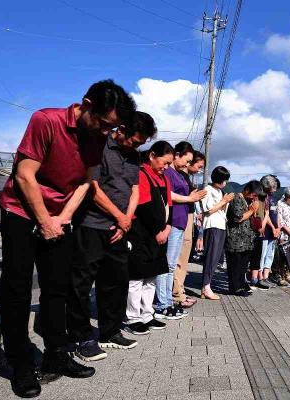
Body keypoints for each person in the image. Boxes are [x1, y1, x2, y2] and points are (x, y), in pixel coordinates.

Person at [0, 80, 136, 397]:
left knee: (57, 287)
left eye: (111, 128)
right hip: (21, 211)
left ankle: (56, 355)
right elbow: (24, 175)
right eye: (102, 124)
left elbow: (87, 183)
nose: (105, 132)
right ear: (85, 104)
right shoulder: (46, 120)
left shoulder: (98, 137)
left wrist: (63, 217)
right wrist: (44, 220)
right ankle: (19, 363)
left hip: (60, 217)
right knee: (17, 290)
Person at [67, 111, 155, 363]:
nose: (138, 146)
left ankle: (110, 331)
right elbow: (92, 187)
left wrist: (125, 221)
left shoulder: (134, 156)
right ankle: (82, 337)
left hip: (119, 228)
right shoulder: (100, 145)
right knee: (81, 283)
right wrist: (120, 217)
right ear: (122, 130)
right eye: (135, 141)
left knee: (116, 281)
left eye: (142, 143)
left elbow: (135, 189)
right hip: (92, 224)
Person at [125, 141, 174, 334]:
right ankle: (132, 317)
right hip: (142, 233)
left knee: (152, 277)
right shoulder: (142, 173)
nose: (167, 167)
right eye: (165, 162)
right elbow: (143, 207)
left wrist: (168, 227)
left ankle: (147, 313)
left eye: (170, 163)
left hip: (161, 233)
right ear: (152, 156)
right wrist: (158, 231)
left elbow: (169, 205)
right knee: (136, 278)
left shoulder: (164, 179)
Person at [155, 142, 204, 319]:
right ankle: (163, 304)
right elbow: (168, 194)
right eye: (187, 160)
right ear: (177, 155)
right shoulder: (168, 172)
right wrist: (189, 197)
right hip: (173, 221)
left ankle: (167, 301)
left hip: (180, 222)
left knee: (170, 264)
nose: (187, 164)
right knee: (167, 264)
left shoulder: (177, 173)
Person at [173, 149, 206, 308]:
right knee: (179, 257)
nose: (199, 170)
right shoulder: (178, 175)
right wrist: (192, 197)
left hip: (189, 216)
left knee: (184, 257)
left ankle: (180, 291)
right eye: (199, 166)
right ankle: (177, 293)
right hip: (182, 217)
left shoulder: (185, 176)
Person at [200, 166, 234, 300]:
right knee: (211, 256)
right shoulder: (208, 190)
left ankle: (207, 285)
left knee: (216, 258)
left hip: (220, 225)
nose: (226, 182)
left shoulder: (220, 191)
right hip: (212, 225)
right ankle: (205, 287)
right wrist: (224, 201)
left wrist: (225, 202)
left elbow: (220, 209)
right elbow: (209, 210)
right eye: (225, 179)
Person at [225, 180, 263, 296]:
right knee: (235, 265)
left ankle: (242, 285)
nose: (254, 198)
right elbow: (238, 218)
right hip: (236, 239)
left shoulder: (248, 201)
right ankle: (235, 288)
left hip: (246, 240)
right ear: (247, 190)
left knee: (243, 265)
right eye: (254, 195)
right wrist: (252, 210)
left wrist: (253, 211)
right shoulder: (237, 198)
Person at [250, 175, 280, 289]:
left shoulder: (271, 198)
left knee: (269, 255)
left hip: (271, 231)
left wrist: (277, 227)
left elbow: (273, 214)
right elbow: (262, 215)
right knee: (260, 255)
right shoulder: (260, 197)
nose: (275, 189)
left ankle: (265, 277)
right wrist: (271, 227)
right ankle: (258, 277)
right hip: (263, 230)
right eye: (273, 187)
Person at [274, 187, 290, 286]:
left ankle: (288, 274)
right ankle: (281, 276)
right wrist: (287, 230)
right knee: (282, 256)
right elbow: (279, 220)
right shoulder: (280, 204)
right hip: (284, 233)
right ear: (287, 196)